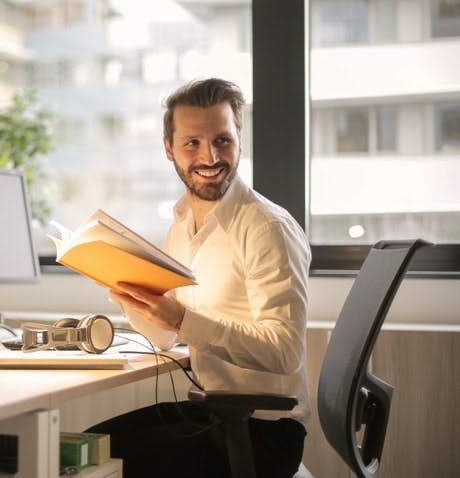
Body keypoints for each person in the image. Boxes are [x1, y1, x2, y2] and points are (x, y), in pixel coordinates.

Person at [86, 78, 311, 477]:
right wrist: (126, 291)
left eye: (222, 140)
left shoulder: (265, 227)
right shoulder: (182, 223)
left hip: (263, 433)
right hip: (211, 412)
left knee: (92, 466)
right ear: (168, 149)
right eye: (192, 143)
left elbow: (284, 350)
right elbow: (166, 338)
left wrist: (180, 318)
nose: (210, 156)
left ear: (239, 140)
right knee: (79, 446)